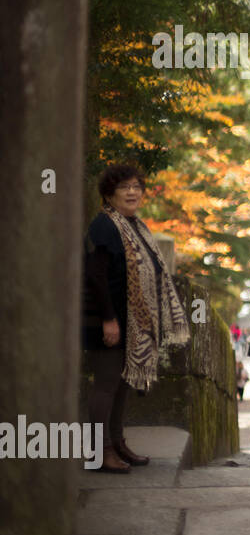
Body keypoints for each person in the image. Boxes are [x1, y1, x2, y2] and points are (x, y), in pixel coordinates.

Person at [82, 164, 190, 473]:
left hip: (131, 322)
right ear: (109, 194)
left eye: (136, 187)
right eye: (124, 188)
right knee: (105, 385)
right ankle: (99, 452)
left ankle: (116, 443)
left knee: (121, 384)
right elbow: (96, 276)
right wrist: (108, 319)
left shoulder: (135, 226)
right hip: (107, 319)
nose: (132, 192)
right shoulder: (104, 225)